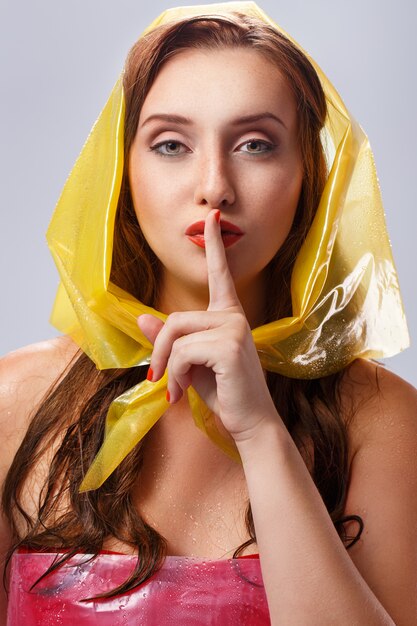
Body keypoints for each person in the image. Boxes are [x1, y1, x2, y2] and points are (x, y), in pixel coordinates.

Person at [1, 2, 417, 624]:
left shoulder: (385, 423)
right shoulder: (16, 402)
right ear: (122, 171)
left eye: (256, 144)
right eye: (171, 144)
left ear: (312, 177)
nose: (214, 185)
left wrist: (260, 434)